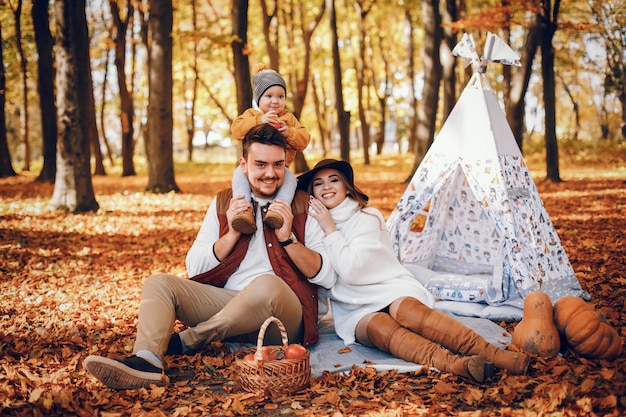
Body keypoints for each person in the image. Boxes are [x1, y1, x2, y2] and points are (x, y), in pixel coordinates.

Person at [84, 125, 334, 390]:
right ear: (244, 164)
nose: (270, 173)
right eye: (260, 164)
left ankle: (187, 341)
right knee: (159, 283)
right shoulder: (224, 203)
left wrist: (287, 238)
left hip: (283, 318)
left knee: (266, 283)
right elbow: (194, 267)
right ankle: (147, 361)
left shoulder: (303, 204)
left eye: (278, 165)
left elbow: (327, 273)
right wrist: (231, 235)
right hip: (229, 305)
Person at [297, 159, 531, 383]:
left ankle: (493, 354)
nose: (326, 187)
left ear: (347, 187)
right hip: (353, 307)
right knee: (380, 327)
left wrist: (331, 229)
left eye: (333, 180)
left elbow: (352, 269)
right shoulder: (313, 228)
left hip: (389, 288)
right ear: (313, 193)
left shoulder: (367, 217)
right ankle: (455, 365)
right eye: (318, 183)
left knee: (407, 312)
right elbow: (320, 276)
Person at [229, 65, 311, 235]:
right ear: (258, 99)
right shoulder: (252, 115)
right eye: (269, 96)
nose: (275, 101)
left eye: (280, 96)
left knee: (290, 181)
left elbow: (304, 140)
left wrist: (289, 132)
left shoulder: (289, 118)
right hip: (253, 168)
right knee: (238, 176)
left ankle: (278, 210)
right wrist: (259, 120)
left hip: (282, 168)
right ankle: (244, 211)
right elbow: (236, 130)